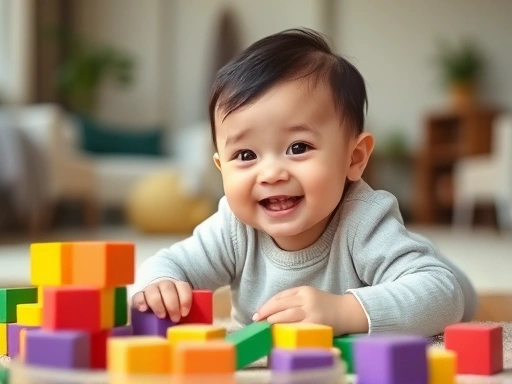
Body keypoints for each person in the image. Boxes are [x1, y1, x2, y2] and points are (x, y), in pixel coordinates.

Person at [132, 28, 477, 337]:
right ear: (221, 169)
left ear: (354, 158)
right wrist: (161, 284)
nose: (271, 173)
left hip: (428, 272)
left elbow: (443, 295)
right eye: (246, 156)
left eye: (298, 148)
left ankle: (417, 250)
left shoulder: (364, 220)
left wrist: (344, 312)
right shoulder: (233, 227)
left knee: (435, 276)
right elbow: (168, 264)